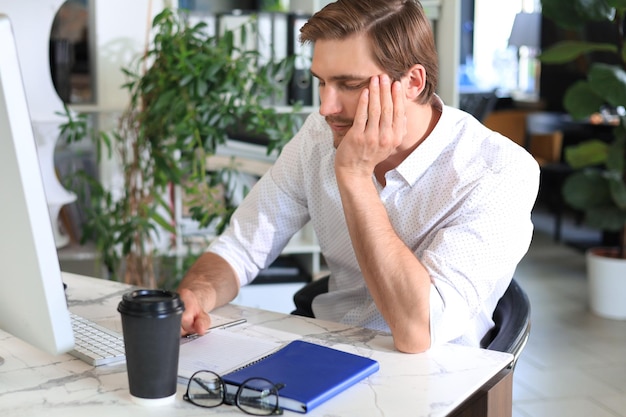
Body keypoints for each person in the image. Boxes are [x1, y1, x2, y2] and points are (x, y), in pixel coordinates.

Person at [177, 0, 539, 353]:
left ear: (412, 81)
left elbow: (417, 332)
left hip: (434, 376)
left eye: (349, 85)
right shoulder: (318, 136)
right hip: (331, 345)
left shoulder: (500, 172)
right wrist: (198, 294)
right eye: (320, 82)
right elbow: (241, 246)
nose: (325, 107)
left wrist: (354, 175)